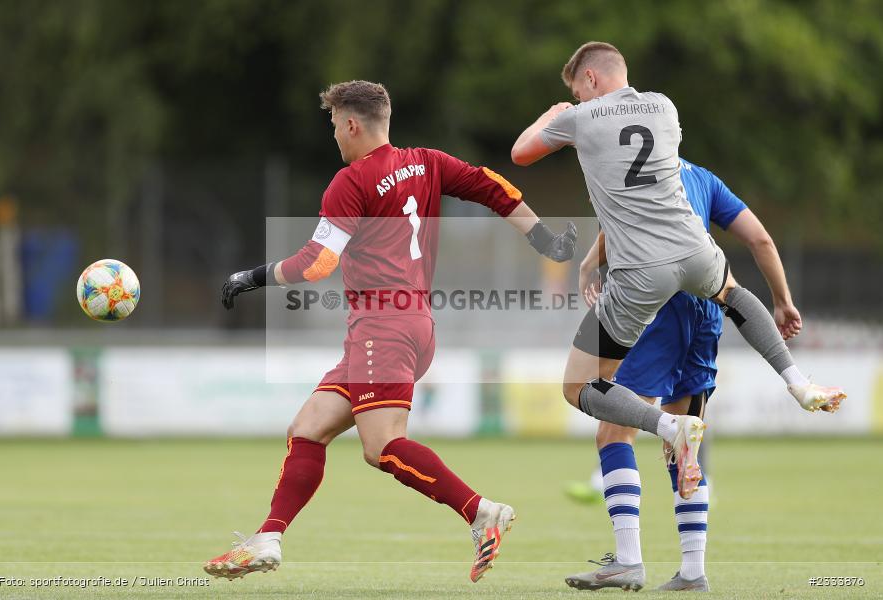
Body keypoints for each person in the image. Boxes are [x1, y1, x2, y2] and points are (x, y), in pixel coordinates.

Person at [203, 80, 577, 583]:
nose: (335, 136)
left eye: (335, 125)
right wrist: (545, 240)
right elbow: (493, 186)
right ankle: (268, 537)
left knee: (382, 447)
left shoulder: (350, 182)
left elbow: (317, 264)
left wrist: (252, 277)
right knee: (309, 428)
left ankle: (481, 510)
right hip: (410, 323)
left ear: (353, 124)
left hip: (383, 326)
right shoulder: (428, 162)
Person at [511, 41, 845, 584]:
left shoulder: (581, 116)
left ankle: (666, 439)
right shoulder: (665, 108)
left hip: (644, 278)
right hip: (695, 255)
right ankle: (798, 382)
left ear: (590, 80)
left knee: (584, 391)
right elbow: (661, 190)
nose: (573, 99)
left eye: (576, 89)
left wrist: (555, 115)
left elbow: (522, 153)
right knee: (734, 295)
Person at [564, 158, 798, 592]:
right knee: (684, 449)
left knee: (614, 433)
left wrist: (586, 264)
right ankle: (692, 571)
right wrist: (782, 300)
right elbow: (761, 239)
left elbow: (623, 225)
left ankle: (628, 561)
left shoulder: (629, 167)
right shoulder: (706, 179)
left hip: (657, 303)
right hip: (708, 304)